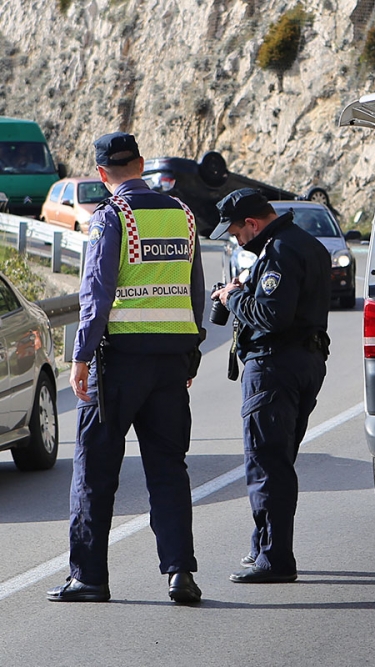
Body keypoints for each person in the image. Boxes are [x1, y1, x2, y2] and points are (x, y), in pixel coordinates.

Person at [47, 132, 206, 604]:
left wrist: (79, 357)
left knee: (94, 472)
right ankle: (180, 573)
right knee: (168, 470)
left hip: (118, 364)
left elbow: (96, 295)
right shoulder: (182, 215)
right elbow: (195, 291)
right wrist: (191, 354)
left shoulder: (110, 217)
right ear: (141, 164)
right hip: (171, 363)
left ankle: (89, 578)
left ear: (101, 174)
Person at [210, 188, 331, 584]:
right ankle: (263, 544)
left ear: (252, 223)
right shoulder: (307, 244)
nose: (236, 241)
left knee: (267, 463)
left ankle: (275, 559)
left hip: (275, 367)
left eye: (236, 233)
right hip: (305, 362)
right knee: (278, 459)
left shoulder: (279, 251)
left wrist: (233, 297)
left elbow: (272, 315)